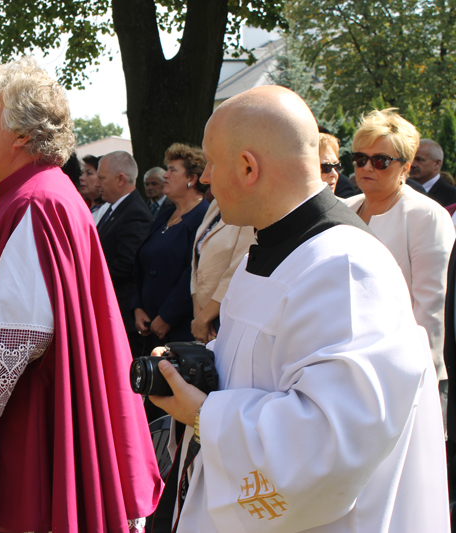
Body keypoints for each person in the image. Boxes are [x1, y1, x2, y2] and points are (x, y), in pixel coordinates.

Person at [149, 85, 448, 532]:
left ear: (248, 166)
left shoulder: (345, 267)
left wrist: (201, 413)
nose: (206, 177)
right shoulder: (273, 249)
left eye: (211, 162)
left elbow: (329, 445)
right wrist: (196, 368)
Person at [0, 57, 161, 533]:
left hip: (35, 422)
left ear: (23, 135)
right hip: (27, 407)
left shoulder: (36, 202)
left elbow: (13, 334)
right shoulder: (28, 195)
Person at [343, 111, 455, 407]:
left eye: (380, 161)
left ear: (405, 167)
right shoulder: (344, 208)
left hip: (402, 370)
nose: (367, 167)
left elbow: (431, 306)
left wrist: (422, 376)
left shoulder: (426, 215)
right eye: (359, 159)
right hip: (345, 362)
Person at [133, 144, 209, 353]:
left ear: (191, 179)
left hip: (181, 331)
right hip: (148, 327)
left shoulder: (204, 217)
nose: (165, 175)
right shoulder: (164, 216)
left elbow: (195, 271)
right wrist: (138, 308)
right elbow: (141, 262)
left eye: (172, 170)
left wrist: (167, 316)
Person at [97, 150, 153, 357]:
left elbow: (127, 264)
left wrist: (87, 279)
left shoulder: (134, 213)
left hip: (123, 314)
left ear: (120, 179)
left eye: (102, 178)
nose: (97, 184)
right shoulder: (115, 210)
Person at [189, 195, 254, 344]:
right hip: (202, 317)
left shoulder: (249, 207)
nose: (204, 178)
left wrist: (205, 318)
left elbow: (239, 268)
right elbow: (196, 260)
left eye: (211, 170)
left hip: (225, 316)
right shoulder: (214, 205)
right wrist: (198, 315)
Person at [410, 139, 456, 207]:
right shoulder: (402, 189)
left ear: (437, 164)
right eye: (411, 159)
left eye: (419, 159)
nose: (412, 164)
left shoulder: (452, 196)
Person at [78, 154, 109, 224]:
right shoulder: (80, 207)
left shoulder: (108, 210)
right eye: (82, 173)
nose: (81, 178)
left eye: (89, 173)